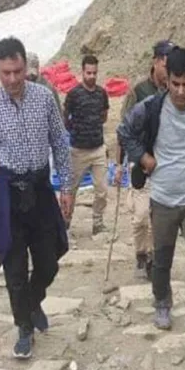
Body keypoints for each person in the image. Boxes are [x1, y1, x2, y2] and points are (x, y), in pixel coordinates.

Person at [0, 36, 73, 360]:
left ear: (26, 67)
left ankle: (32, 301)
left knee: (49, 261)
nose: (12, 79)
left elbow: (60, 142)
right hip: (6, 193)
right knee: (13, 268)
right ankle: (24, 328)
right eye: (6, 73)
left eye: (17, 71)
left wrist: (66, 187)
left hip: (40, 187)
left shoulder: (44, 99)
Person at [117, 46, 185, 356]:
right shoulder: (151, 108)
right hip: (163, 199)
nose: (180, 91)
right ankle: (162, 301)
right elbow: (124, 131)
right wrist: (143, 159)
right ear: (166, 82)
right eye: (175, 84)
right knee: (162, 259)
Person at [114, 39, 175, 280]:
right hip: (140, 162)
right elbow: (123, 129)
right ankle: (141, 252)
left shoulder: (174, 91)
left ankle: (154, 259)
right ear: (156, 62)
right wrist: (119, 165)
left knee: (159, 217)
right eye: (167, 64)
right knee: (140, 216)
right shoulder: (138, 91)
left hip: (165, 164)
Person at [63, 54, 110, 235]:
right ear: (82, 72)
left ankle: (98, 223)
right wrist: (77, 130)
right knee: (71, 189)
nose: (91, 76)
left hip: (98, 149)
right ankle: (65, 222)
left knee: (102, 190)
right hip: (78, 151)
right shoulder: (74, 94)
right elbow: (65, 119)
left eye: (94, 73)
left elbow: (104, 116)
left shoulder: (102, 94)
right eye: (88, 73)